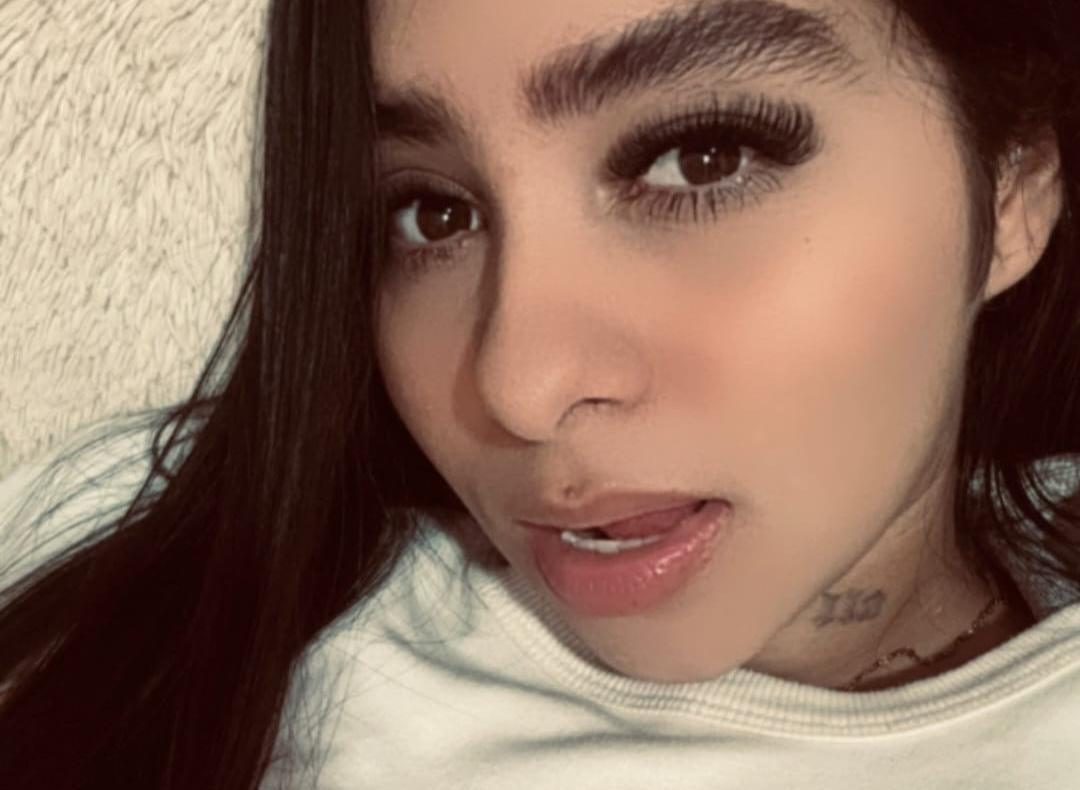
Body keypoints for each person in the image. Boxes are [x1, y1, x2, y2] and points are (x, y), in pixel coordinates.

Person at [2, 0, 1079, 787]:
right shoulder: (148, 560)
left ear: (1016, 186)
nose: (516, 388)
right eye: (430, 212)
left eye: (702, 159)